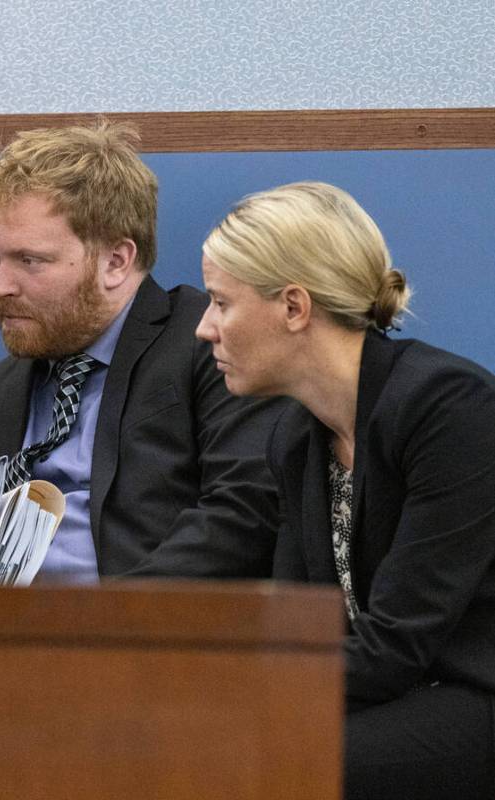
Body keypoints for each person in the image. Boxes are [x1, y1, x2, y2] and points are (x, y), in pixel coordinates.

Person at [197, 181, 495, 799]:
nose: (204, 329)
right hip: (392, 693)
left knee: (253, 763)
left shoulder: (449, 407)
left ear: (294, 307)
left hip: (471, 691)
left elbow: (398, 642)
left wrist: (235, 697)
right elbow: (298, 627)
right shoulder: (296, 439)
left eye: (221, 302)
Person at [0, 121, 282, 580]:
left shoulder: (211, 348)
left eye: (30, 260)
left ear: (116, 262)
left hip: (143, 636)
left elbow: (243, 513)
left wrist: (112, 623)